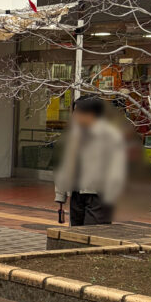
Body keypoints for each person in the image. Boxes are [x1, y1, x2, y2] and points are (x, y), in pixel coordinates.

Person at [54, 95, 127, 226]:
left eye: (78, 112)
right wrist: (60, 194)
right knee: (76, 234)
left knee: (94, 234)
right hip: (77, 193)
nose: (74, 115)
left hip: (99, 195)